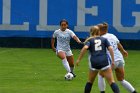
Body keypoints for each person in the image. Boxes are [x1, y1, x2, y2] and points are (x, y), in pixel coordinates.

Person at [76, 26, 120, 93]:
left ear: (91, 32)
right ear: (99, 31)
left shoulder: (90, 40)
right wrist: (113, 61)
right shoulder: (104, 39)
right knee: (111, 82)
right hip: (104, 61)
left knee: (90, 82)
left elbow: (85, 48)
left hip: (94, 62)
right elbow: (110, 48)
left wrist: (79, 59)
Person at [97, 22, 137, 93]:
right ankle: (134, 92)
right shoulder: (112, 35)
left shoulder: (101, 38)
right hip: (120, 59)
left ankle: (102, 92)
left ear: (102, 30)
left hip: (112, 60)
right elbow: (118, 44)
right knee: (121, 80)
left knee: (100, 75)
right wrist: (123, 51)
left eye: (98, 30)